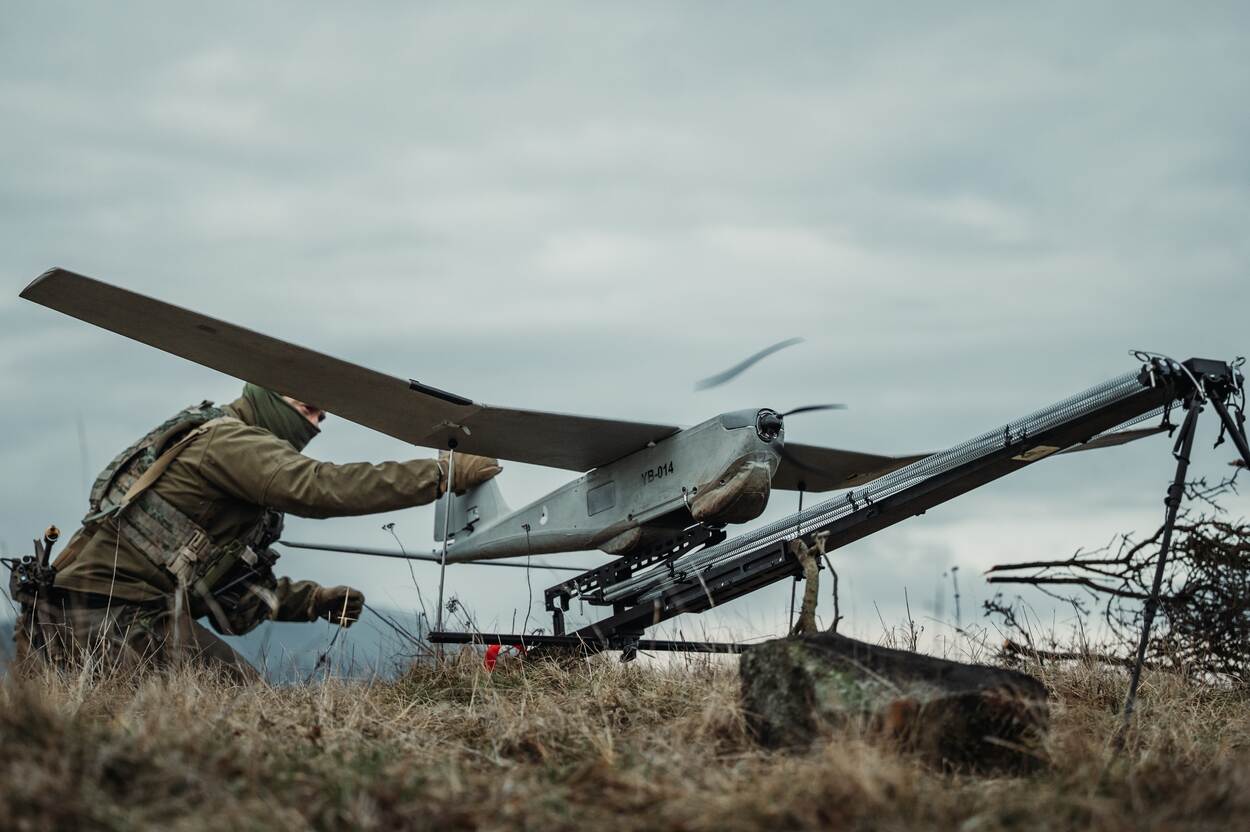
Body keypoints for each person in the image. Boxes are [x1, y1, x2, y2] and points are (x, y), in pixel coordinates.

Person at [13, 383, 501, 682]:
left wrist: (312, 600)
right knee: (238, 714)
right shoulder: (230, 441)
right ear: (268, 396)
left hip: (87, 616)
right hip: (102, 620)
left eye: (321, 417)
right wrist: (441, 473)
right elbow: (317, 488)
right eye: (306, 407)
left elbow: (225, 598)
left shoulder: (232, 449)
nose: (314, 422)